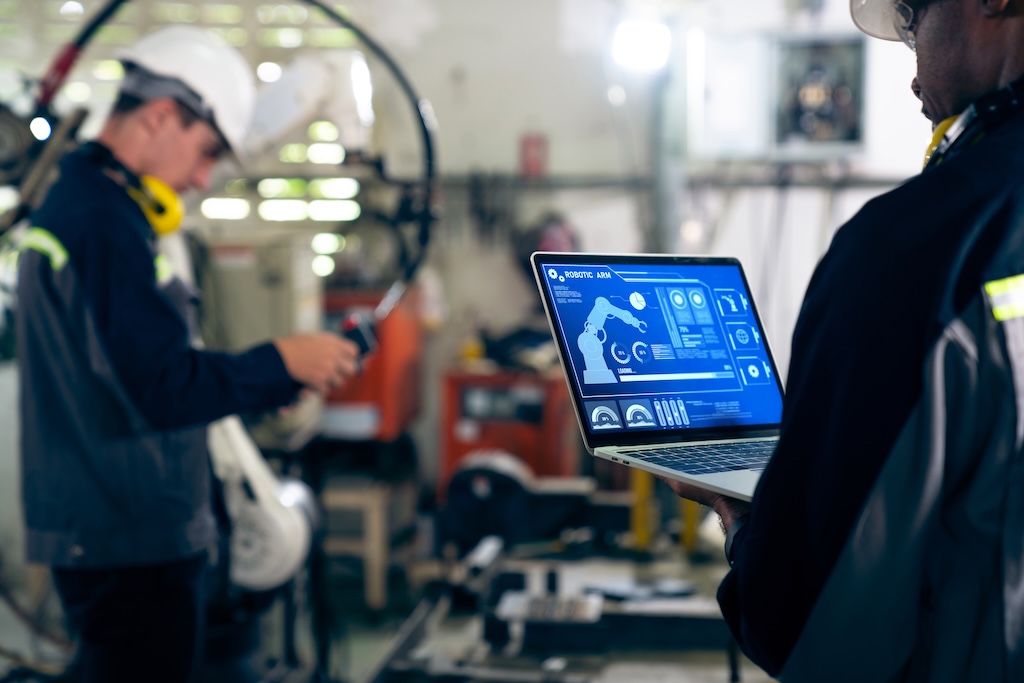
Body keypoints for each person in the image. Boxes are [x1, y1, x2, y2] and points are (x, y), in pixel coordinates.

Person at [661, 1, 1024, 681]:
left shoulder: (917, 251)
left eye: (915, 18)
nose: (914, 76)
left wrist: (746, 519)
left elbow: (808, 626)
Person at [15, 26, 359, 682]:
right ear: (160, 117)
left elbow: (138, 368)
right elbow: (163, 384)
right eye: (205, 153)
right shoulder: (100, 221)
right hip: (123, 537)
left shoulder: (96, 207)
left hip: (120, 528)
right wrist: (280, 361)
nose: (202, 177)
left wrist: (269, 380)